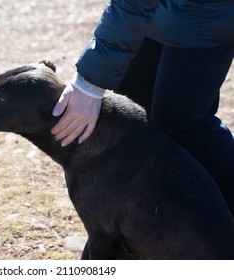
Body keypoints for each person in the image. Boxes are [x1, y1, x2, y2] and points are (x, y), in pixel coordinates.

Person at [51, 0, 234, 214]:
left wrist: (89, 85)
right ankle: (157, 215)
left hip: (209, 13)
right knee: (134, 100)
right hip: (161, 9)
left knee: (182, 122)